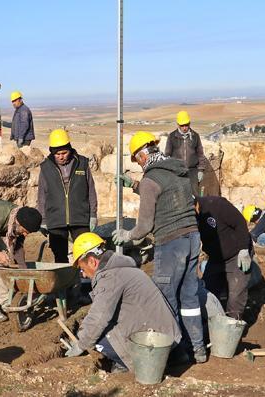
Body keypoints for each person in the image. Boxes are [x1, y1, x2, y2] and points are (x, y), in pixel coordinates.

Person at [112, 131, 207, 363]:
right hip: (193, 237)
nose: (139, 164)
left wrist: (127, 235)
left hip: (170, 242)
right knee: (190, 298)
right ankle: (198, 349)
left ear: (142, 156)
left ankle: (176, 353)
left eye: (137, 159)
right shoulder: (177, 170)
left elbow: (144, 226)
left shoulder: (150, 180)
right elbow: (168, 194)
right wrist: (135, 185)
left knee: (165, 299)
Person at [63, 232, 182, 373]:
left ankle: (126, 364)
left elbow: (99, 317)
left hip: (154, 342)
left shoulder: (110, 277)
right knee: (97, 329)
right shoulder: (121, 269)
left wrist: (80, 344)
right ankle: (177, 356)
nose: (83, 274)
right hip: (166, 335)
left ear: (92, 262)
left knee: (98, 338)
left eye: (82, 269)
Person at [37, 128, 97, 263]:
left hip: (80, 218)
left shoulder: (82, 163)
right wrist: (43, 220)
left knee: (86, 255)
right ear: (52, 152)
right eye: (57, 154)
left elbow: (91, 190)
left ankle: (84, 282)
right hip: (56, 220)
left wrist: (93, 214)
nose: (61, 156)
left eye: (64, 152)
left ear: (70, 149)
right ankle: (65, 283)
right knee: (60, 257)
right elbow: (42, 196)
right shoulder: (45, 167)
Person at [194, 195, 253, 320]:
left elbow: (240, 222)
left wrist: (244, 249)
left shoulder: (217, 205)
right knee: (208, 293)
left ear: (195, 204)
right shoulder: (189, 217)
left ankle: (232, 328)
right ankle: (212, 327)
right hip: (216, 258)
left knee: (235, 296)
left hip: (236, 254)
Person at [164, 111, 206, 195]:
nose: (184, 128)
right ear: (178, 124)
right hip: (177, 171)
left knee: (194, 195)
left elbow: (200, 153)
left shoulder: (195, 136)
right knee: (178, 195)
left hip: (192, 171)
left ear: (189, 123)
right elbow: (167, 154)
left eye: (186, 125)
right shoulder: (172, 136)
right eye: (182, 125)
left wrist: (201, 170)